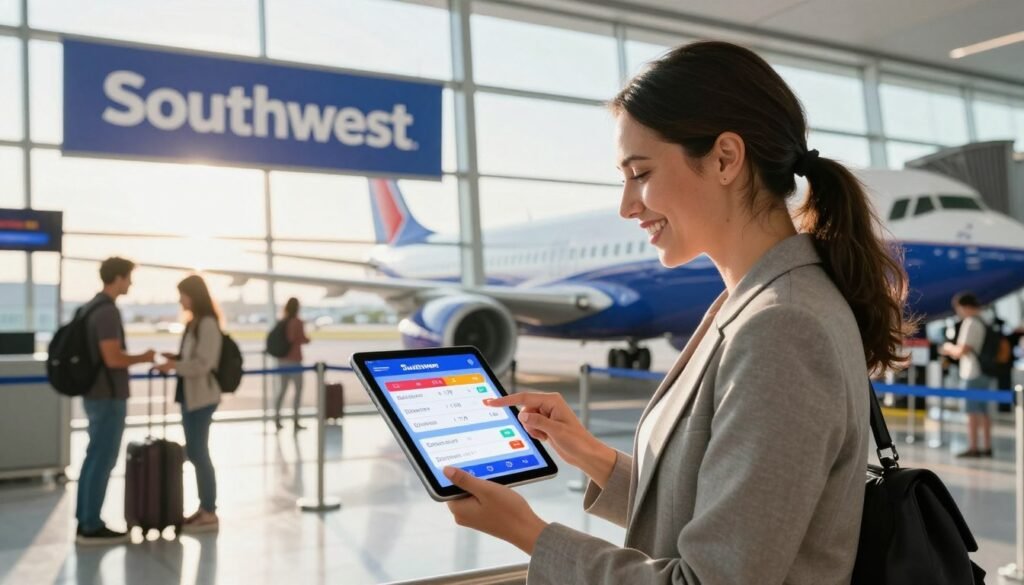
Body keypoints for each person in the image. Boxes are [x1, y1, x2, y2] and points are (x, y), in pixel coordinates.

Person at [440, 41, 913, 584]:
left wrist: (529, 534)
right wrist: (591, 454)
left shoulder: (783, 326)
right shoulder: (755, 304)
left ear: (725, 159)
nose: (627, 205)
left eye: (639, 172)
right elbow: (728, 515)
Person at [76, 257, 156, 545]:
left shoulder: (89, 308)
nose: (131, 283)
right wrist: (143, 357)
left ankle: (85, 519)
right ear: (118, 278)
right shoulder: (107, 312)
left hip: (94, 394)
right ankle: (91, 525)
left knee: (93, 457)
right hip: (107, 396)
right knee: (102, 459)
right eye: (129, 278)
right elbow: (113, 358)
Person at [156, 275, 222, 532]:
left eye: (182, 294)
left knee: (198, 453)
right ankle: (204, 508)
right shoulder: (194, 323)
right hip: (190, 396)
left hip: (202, 398)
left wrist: (175, 365)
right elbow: (194, 358)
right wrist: (178, 358)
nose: (179, 299)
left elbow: (204, 364)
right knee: (196, 452)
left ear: (193, 295)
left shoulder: (207, 324)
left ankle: (209, 510)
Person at [940, 292, 995, 457]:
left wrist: (948, 348)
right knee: (984, 411)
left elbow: (962, 350)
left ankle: (973, 447)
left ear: (964, 307)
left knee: (971, 411)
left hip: (973, 372)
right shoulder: (985, 320)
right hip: (986, 371)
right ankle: (987, 446)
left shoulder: (970, 322)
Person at [274, 297, 311, 431]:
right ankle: (295, 420)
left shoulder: (282, 321)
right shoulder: (297, 322)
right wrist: (306, 339)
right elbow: (297, 338)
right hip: (294, 361)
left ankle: (277, 418)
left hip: (282, 361)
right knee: (297, 391)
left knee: (282, 390)